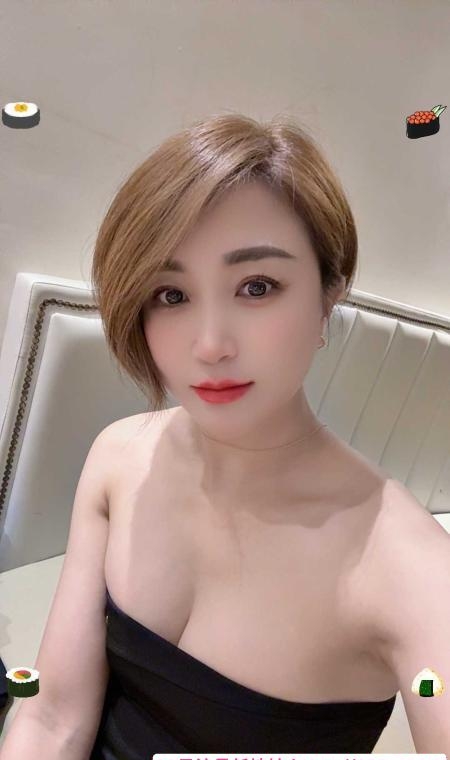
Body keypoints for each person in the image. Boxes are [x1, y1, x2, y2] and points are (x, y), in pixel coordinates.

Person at [87, 112, 398, 756]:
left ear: (329, 295)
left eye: (257, 286)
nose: (210, 346)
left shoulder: (406, 570)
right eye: (170, 295)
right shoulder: (119, 454)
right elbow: (53, 717)